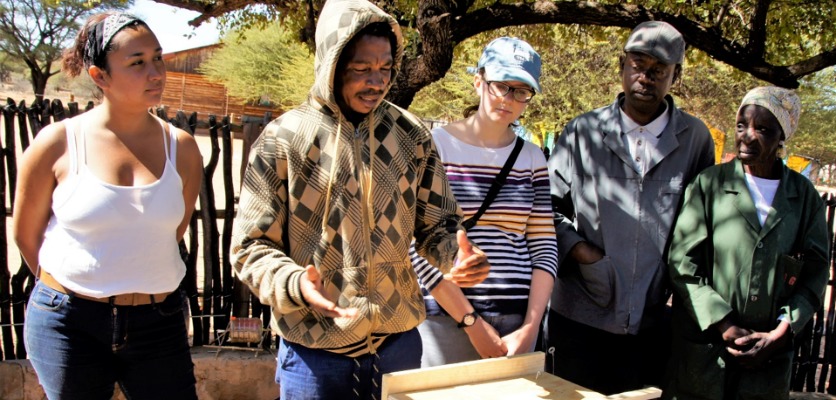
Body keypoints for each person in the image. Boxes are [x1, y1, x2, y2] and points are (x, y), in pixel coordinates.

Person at [229, 0, 490, 398]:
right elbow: (250, 248)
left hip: (397, 348)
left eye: (385, 68)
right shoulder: (283, 141)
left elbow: (439, 224)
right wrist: (296, 283)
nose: (377, 82)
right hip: (314, 353)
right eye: (362, 69)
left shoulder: (411, 135)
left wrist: (455, 255)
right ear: (332, 65)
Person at [13, 13, 203, 400]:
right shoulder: (58, 143)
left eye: (158, 58)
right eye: (137, 63)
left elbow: (172, 231)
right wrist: (77, 290)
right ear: (100, 76)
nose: (155, 72)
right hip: (69, 323)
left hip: (159, 321)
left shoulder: (181, 148)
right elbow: (25, 235)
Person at [546, 20, 716, 394]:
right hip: (579, 316)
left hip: (651, 324)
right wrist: (584, 253)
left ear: (677, 76)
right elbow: (546, 208)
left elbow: (703, 223)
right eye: (638, 65)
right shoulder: (582, 132)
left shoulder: (695, 140)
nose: (646, 77)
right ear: (621, 66)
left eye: (659, 70)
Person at [663, 87, 828, 399]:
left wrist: (780, 333)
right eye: (741, 125)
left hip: (767, 364)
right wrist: (724, 325)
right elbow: (682, 263)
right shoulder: (709, 185)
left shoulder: (804, 198)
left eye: (763, 129)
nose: (747, 136)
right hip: (705, 355)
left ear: (782, 137)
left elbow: (815, 274)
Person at [412, 37, 558, 367]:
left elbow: (544, 245)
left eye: (521, 91)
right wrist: (471, 323)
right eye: (501, 85)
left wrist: (531, 326)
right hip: (445, 318)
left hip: (516, 323)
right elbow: (414, 245)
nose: (509, 98)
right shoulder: (436, 147)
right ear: (479, 81)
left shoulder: (533, 158)